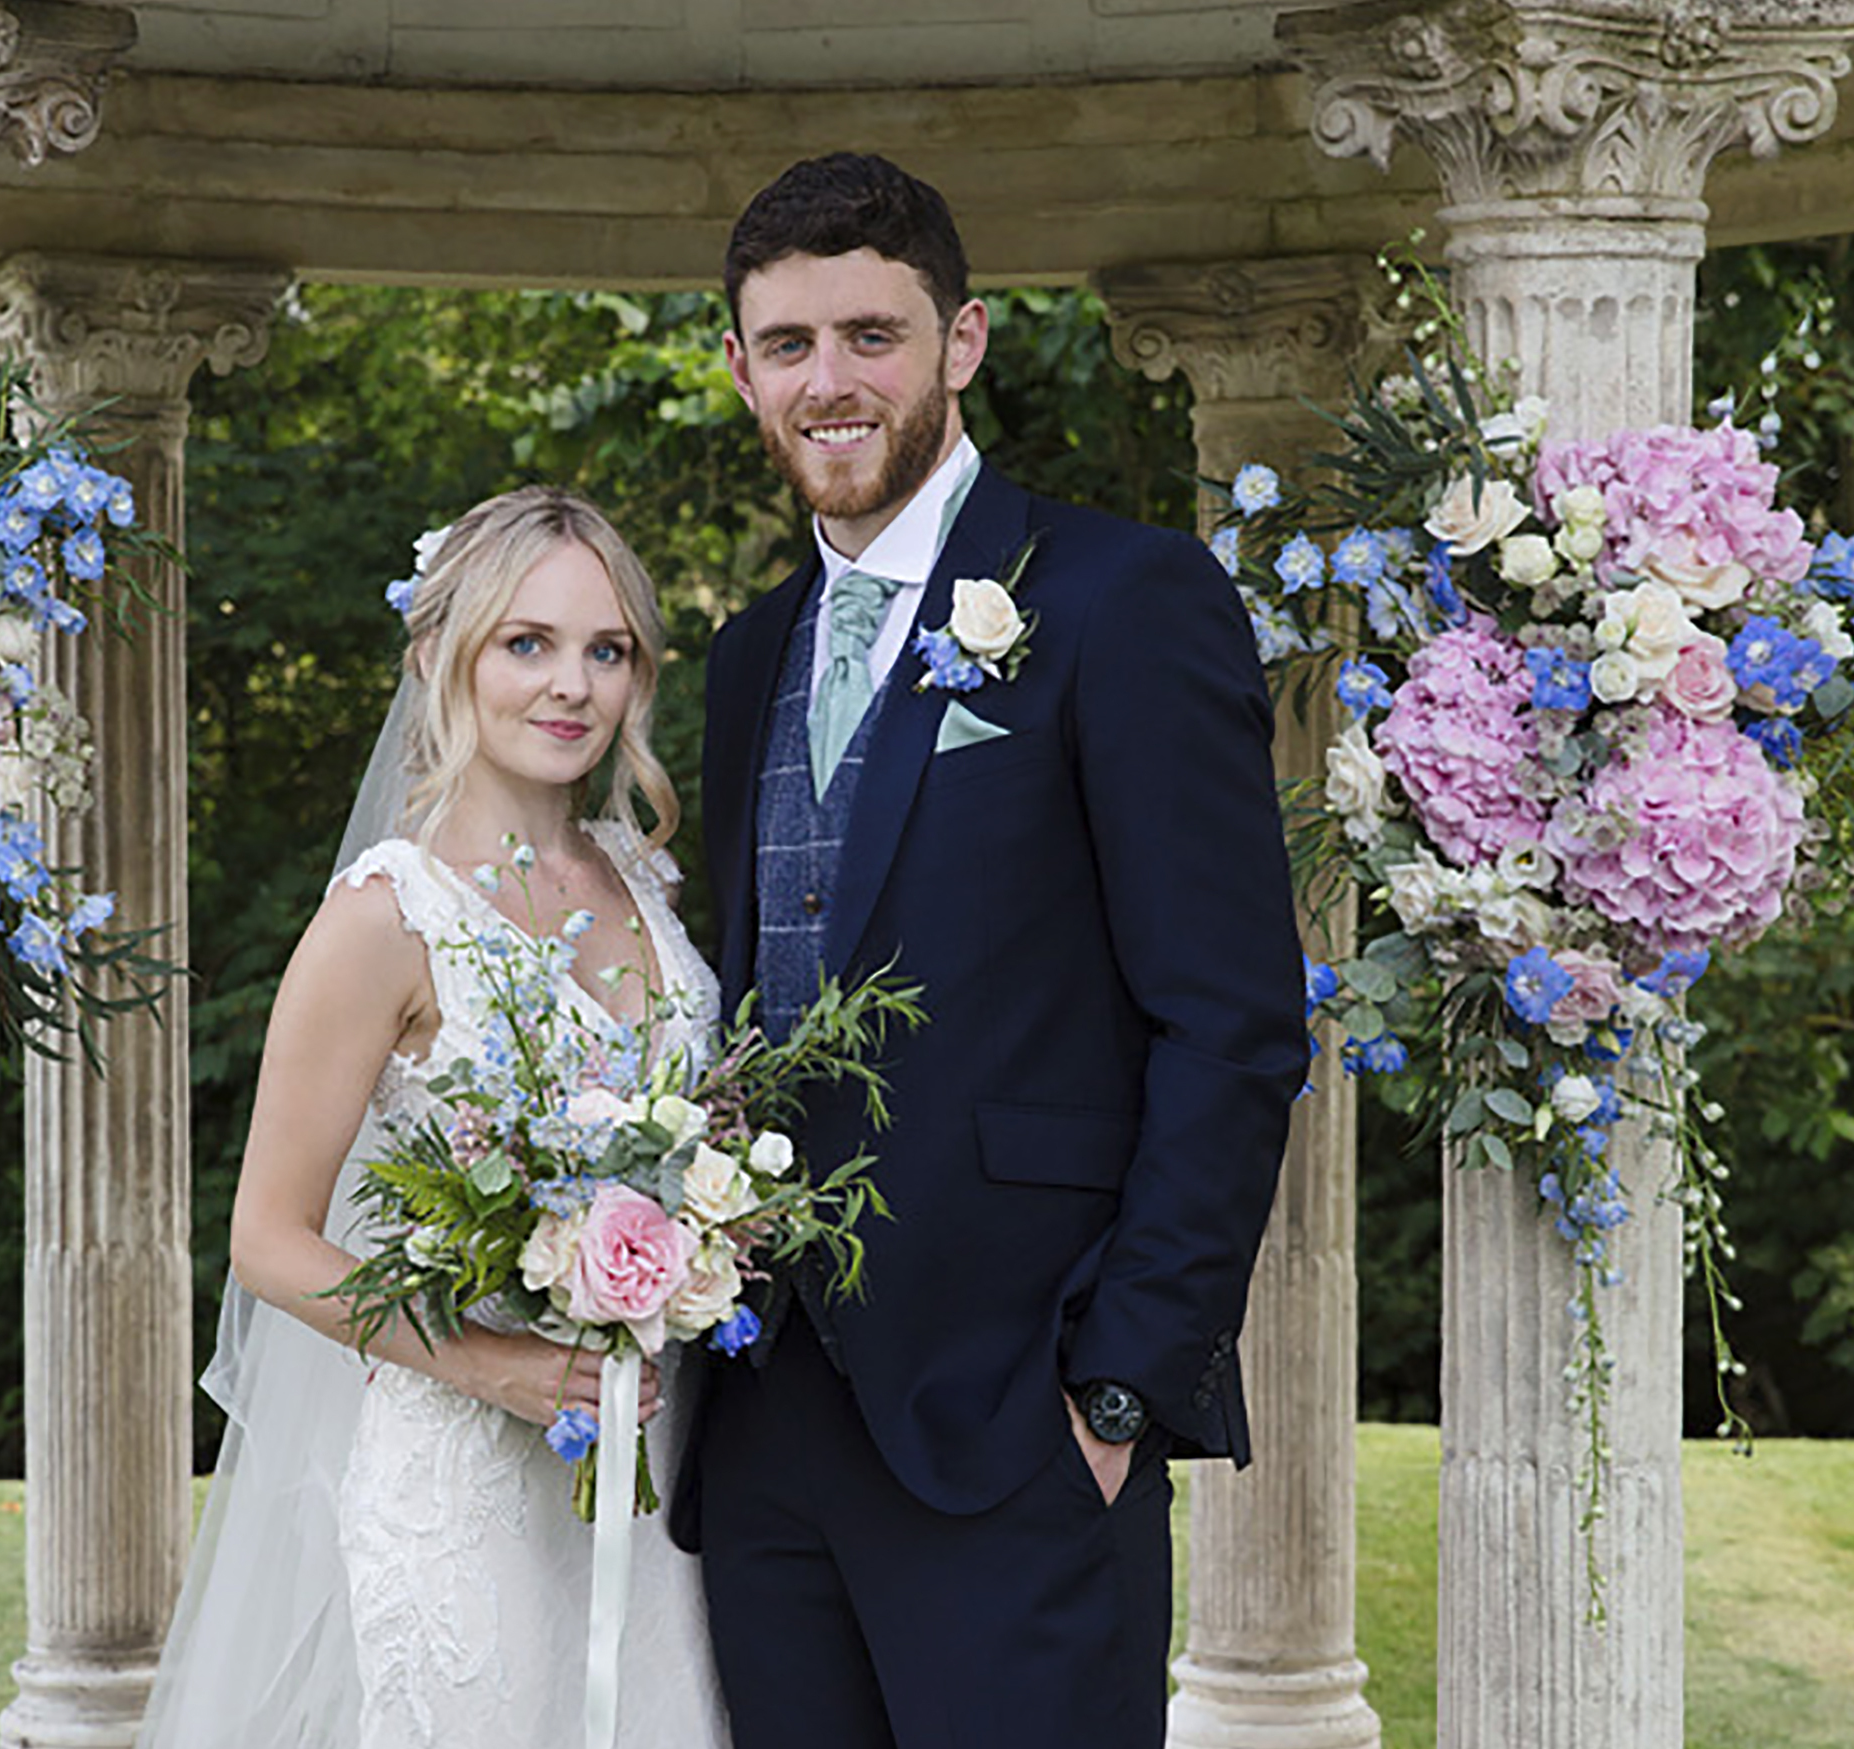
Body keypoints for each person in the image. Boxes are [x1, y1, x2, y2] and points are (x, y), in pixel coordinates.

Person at [679, 152, 1308, 1747]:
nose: (830, 382)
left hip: (1020, 1417)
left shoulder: (1121, 597)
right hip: (764, 1429)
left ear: (961, 343)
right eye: (789, 344)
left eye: (871, 336)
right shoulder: (747, 654)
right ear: (740, 365)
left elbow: (1231, 1024)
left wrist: (1118, 1392)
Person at [137, 487, 730, 1748]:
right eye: (527, 643)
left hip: (651, 1463)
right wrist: (490, 1363)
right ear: (439, 657)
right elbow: (270, 1239)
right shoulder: (385, 917)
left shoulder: (644, 879)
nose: (569, 684)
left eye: (605, 650)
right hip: (462, 1476)